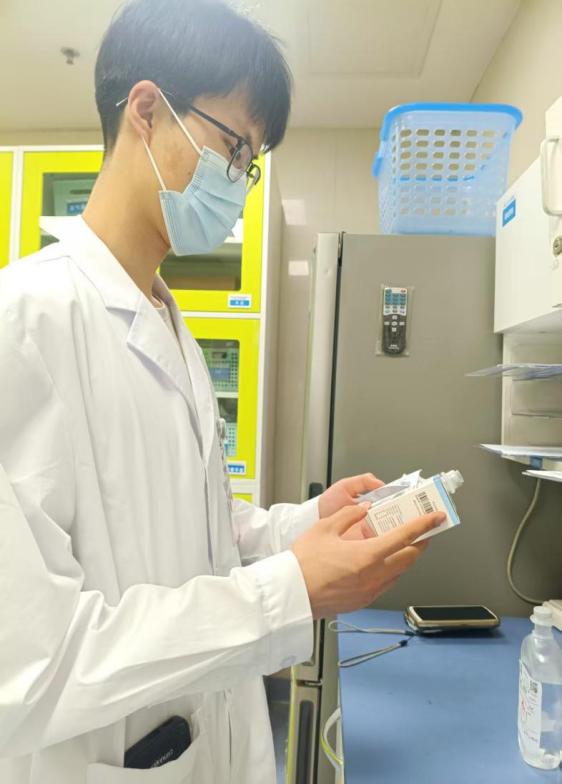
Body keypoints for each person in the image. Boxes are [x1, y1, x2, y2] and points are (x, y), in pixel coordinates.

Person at [0, 1, 444, 782]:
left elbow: (192, 531)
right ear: (146, 111)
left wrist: (307, 525)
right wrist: (288, 592)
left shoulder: (166, 324)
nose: (238, 182)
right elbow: (28, 666)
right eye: (235, 147)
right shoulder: (24, 323)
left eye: (252, 162)